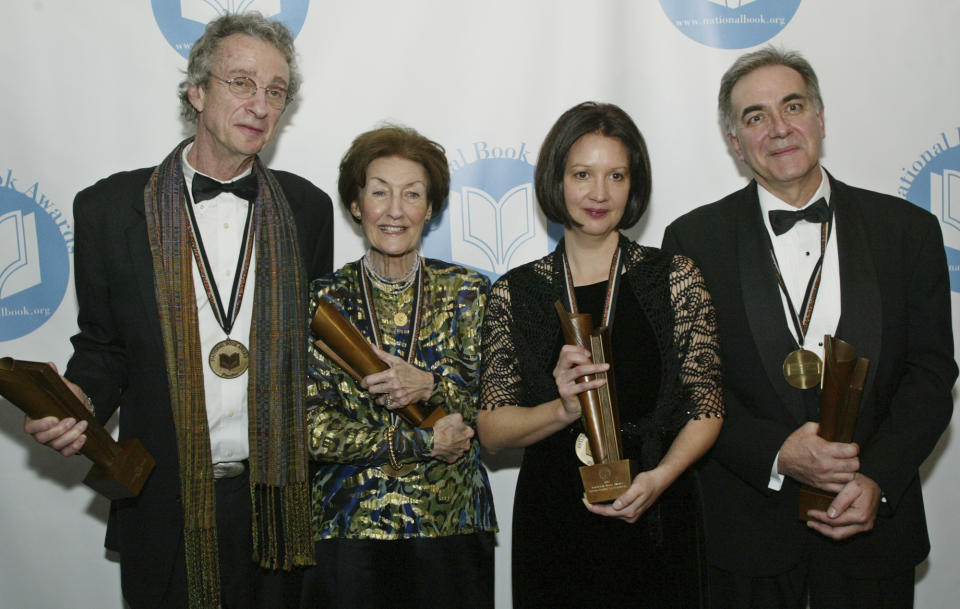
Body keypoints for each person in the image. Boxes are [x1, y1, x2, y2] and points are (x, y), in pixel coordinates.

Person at [22, 12, 333, 609]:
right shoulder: (110, 209)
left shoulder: (306, 209)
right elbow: (103, 347)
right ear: (196, 91)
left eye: (275, 91)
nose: (259, 105)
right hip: (161, 498)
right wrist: (78, 403)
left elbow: (315, 351)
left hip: (278, 503)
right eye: (241, 82)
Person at [661, 47, 957, 609]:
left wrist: (876, 480)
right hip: (746, 533)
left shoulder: (908, 231)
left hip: (870, 528)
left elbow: (930, 375)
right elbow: (690, 386)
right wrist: (775, 453)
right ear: (735, 142)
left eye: (792, 106)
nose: (779, 128)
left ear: (820, 117)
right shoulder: (692, 241)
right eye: (756, 116)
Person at [477, 101, 724, 608]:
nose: (599, 193)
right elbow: (493, 430)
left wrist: (660, 479)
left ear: (634, 186)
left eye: (616, 175)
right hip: (555, 521)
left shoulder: (673, 278)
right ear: (556, 181)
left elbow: (707, 408)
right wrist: (563, 408)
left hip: (657, 506)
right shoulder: (515, 294)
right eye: (582, 174)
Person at [299, 125, 497, 609]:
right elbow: (311, 429)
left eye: (412, 194)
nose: (394, 210)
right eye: (379, 192)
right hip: (346, 526)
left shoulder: (469, 293)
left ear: (430, 209)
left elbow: (497, 408)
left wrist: (432, 385)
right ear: (354, 204)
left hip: (451, 526)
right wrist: (421, 441)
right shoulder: (321, 300)